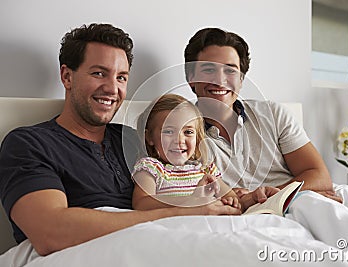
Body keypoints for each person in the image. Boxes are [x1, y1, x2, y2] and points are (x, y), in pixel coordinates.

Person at [0, 23, 241, 257]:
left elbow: (183, 184)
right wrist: (186, 214)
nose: (112, 88)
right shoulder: (29, 144)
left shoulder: (132, 139)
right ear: (67, 77)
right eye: (98, 73)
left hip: (164, 242)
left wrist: (247, 197)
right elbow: (50, 232)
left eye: (121, 77)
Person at [183, 27, 342, 204]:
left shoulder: (274, 115)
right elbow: (189, 198)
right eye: (209, 69)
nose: (220, 80)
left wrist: (273, 195)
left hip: (294, 203)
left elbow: (319, 175)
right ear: (191, 78)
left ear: (241, 79)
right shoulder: (178, 133)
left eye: (230, 70)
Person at [132, 94, 256, 211]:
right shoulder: (151, 168)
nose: (179, 140)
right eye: (168, 131)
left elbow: (231, 198)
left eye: (188, 132)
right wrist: (191, 201)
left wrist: (235, 200)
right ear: (149, 137)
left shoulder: (205, 169)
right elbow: (142, 203)